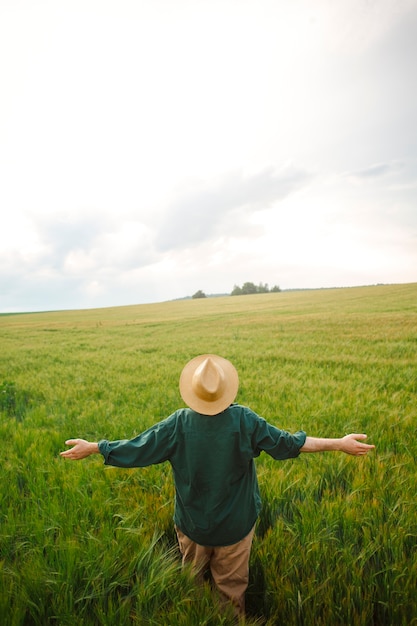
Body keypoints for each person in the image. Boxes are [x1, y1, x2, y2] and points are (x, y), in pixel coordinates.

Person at [60, 354, 375, 619]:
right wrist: (339, 443)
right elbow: (289, 444)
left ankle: (197, 615)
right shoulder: (244, 421)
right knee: (231, 591)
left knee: (192, 586)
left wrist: (96, 446)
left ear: (193, 392)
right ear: (226, 390)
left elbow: (136, 448)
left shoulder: (178, 424)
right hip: (235, 529)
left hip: (193, 527)